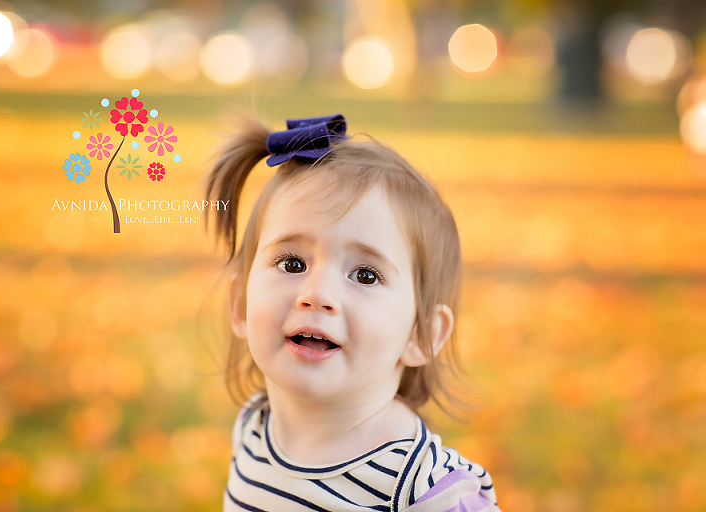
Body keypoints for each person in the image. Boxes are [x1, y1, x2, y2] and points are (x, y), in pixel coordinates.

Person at [205, 114, 500, 512]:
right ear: (240, 305)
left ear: (420, 334)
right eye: (293, 264)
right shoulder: (254, 428)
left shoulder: (424, 491)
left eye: (365, 275)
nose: (318, 294)